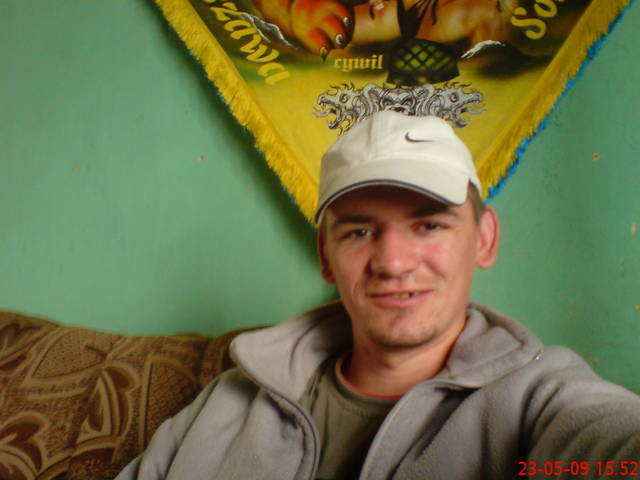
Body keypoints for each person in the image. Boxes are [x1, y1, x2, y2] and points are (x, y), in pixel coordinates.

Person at [116, 111, 640, 480]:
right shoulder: (229, 400)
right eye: (360, 231)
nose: (392, 262)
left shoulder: (542, 399)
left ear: (484, 239)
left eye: (429, 225)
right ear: (326, 256)